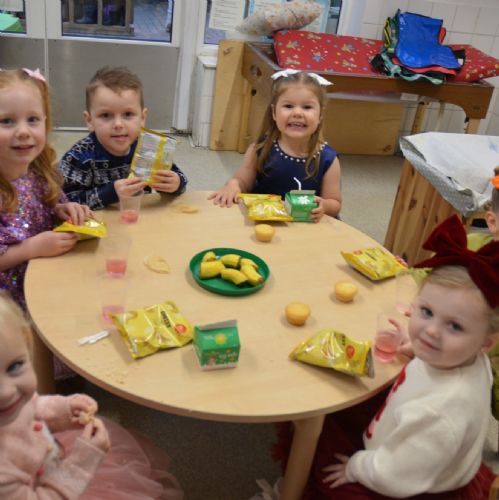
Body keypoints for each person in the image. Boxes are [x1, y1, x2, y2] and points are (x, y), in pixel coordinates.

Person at [301, 215, 498, 499]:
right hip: (429, 454)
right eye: (426, 312)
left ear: (486, 343)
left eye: (454, 326)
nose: (431, 331)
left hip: (409, 481)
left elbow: (394, 474)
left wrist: (356, 467)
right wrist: (415, 345)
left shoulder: (439, 413)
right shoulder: (468, 357)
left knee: (317, 439)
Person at [0, 292, 184, 499]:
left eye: (14, 366)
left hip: (51, 463)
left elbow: (33, 406)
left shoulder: (10, 405)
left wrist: (64, 410)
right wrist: (82, 462)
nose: (6, 392)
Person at [0, 68, 91, 309]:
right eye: (6, 121)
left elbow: (49, 206)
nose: (23, 131)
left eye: (33, 120)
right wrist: (31, 248)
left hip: (48, 279)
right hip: (10, 307)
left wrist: (62, 209)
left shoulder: (38, 171)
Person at [209, 69, 341, 222]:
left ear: (320, 115)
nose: (297, 113)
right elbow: (242, 180)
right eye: (288, 106)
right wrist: (233, 184)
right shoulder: (260, 149)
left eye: (307, 107)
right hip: (265, 222)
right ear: (274, 113)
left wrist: (325, 205)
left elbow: (335, 203)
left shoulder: (328, 159)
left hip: (306, 226)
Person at [59, 66, 188, 210]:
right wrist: (111, 193)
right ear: (90, 121)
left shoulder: (148, 148)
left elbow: (179, 178)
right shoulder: (78, 157)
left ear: (142, 118)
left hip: (139, 219)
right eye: (106, 115)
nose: (118, 124)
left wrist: (176, 183)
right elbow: (64, 203)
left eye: (128, 114)